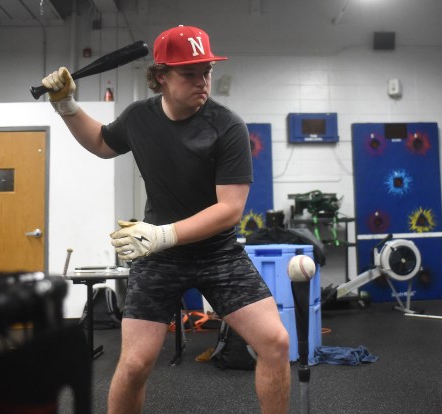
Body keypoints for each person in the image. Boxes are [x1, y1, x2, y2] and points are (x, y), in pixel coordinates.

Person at [42, 25, 291, 414]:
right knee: (136, 363)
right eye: (189, 73)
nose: (202, 81)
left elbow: (229, 209)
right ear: (161, 76)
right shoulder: (139, 118)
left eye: (206, 71)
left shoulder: (227, 126)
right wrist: (67, 106)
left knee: (275, 343)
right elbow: (101, 144)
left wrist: (162, 235)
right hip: (159, 258)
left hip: (216, 253)